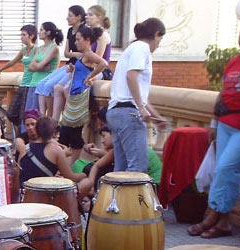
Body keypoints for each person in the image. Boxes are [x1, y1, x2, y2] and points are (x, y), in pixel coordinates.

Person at [187, 22, 240, 239]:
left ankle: (212, 214)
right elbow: (222, 93)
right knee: (226, 174)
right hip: (225, 124)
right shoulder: (233, 62)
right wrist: (214, 123)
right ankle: (224, 222)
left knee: (225, 169)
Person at [106, 18, 168, 173]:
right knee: (137, 169)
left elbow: (139, 93)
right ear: (156, 34)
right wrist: (141, 108)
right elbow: (131, 76)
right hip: (129, 114)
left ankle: (115, 198)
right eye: (160, 38)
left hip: (115, 112)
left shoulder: (132, 48)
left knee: (121, 170)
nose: (159, 43)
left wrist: (157, 117)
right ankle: (130, 198)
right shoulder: (142, 48)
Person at [58, 25, 108, 168]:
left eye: (79, 39)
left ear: (87, 40)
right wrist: (74, 69)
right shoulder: (83, 55)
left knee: (71, 130)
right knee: (68, 130)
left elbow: (103, 63)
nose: (76, 42)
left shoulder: (88, 55)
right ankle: (67, 164)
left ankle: (69, 164)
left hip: (80, 96)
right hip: (75, 95)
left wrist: (89, 77)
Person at [35, 5, 87, 121]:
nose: (67, 18)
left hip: (77, 67)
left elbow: (86, 53)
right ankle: (42, 116)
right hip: (69, 64)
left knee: (52, 86)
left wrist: (77, 55)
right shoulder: (70, 31)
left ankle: (51, 118)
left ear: (78, 17)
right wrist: (75, 54)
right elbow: (67, 53)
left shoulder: (84, 31)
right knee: (41, 84)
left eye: (70, 16)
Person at [18, 117, 91, 192]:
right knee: (87, 182)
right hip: (45, 195)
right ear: (54, 133)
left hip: (25, 194)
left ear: (36, 130)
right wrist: (85, 174)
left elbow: (19, 174)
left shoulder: (25, 148)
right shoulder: (56, 150)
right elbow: (71, 177)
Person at [0, 24, 37, 127]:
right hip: (23, 84)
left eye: (24, 35)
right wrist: (0, 69)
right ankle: (21, 131)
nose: (21, 37)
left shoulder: (37, 49)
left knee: (25, 113)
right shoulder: (23, 50)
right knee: (11, 113)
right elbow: (12, 62)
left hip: (30, 85)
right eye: (21, 35)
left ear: (31, 36)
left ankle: (23, 136)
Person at [30, 22, 63, 117]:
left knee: (41, 114)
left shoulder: (54, 48)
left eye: (41, 30)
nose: (38, 32)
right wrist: (41, 67)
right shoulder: (39, 48)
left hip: (44, 84)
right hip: (33, 82)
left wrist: (39, 66)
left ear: (48, 32)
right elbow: (31, 67)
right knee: (30, 114)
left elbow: (39, 65)